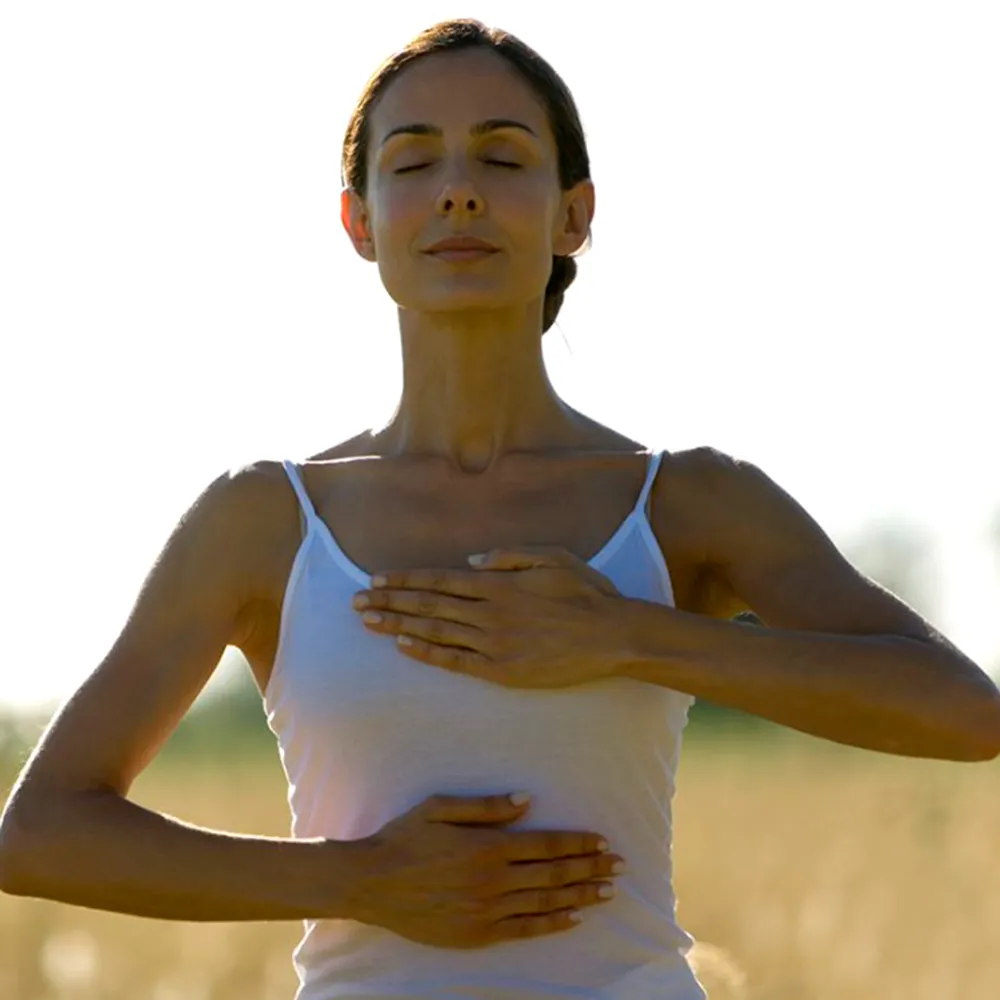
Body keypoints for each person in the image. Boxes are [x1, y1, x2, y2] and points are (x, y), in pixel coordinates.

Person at [2, 17, 999, 1000]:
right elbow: (41, 831)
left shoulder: (692, 499)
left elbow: (962, 713)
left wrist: (627, 635)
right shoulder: (263, 517)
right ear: (359, 220)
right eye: (413, 161)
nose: (459, 187)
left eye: (502, 155)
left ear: (574, 216)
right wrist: (356, 878)